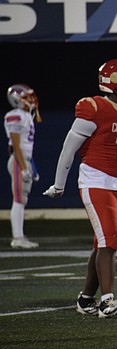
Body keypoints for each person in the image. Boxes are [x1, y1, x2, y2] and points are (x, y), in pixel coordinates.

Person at [43, 59, 117, 318]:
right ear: (115, 83)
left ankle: (86, 299)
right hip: (96, 179)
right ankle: (107, 301)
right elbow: (68, 148)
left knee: (104, 242)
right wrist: (59, 184)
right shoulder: (93, 106)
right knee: (108, 238)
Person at [4, 84, 41, 249]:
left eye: (31, 96)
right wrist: (24, 167)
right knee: (19, 200)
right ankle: (17, 238)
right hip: (20, 161)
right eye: (26, 97)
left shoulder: (26, 116)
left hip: (25, 160)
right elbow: (16, 146)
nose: (31, 100)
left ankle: (20, 235)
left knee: (22, 199)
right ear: (16, 100)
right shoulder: (15, 116)